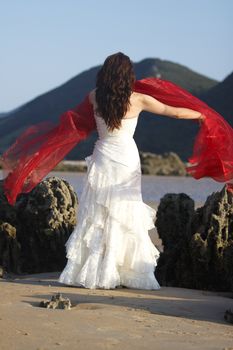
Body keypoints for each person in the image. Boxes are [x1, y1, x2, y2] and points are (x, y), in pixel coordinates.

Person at [58, 52, 204, 290]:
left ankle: (96, 271)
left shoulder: (94, 97)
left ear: (104, 73)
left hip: (103, 155)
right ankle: (120, 270)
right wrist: (200, 114)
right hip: (126, 157)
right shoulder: (139, 99)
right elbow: (174, 112)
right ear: (128, 75)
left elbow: (81, 121)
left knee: (99, 211)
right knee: (124, 210)